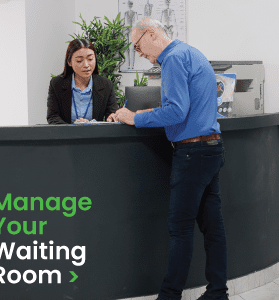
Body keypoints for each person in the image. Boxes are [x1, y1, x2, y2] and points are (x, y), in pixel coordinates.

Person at [108, 17, 229, 300]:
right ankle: (218, 292)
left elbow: (176, 111)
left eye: (138, 46)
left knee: (180, 228)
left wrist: (135, 117)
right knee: (213, 227)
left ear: (151, 34)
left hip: (192, 153)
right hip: (211, 148)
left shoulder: (173, 59)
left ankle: (169, 296)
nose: (139, 53)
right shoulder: (191, 52)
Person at [47, 39, 118, 124]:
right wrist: (73, 129)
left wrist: (113, 117)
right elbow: (53, 117)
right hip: (66, 136)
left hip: (95, 136)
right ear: (69, 62)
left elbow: (111, 115)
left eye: (90, 59)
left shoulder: (106, 84)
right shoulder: (57, 84)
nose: (86, 65)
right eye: (79, 61)